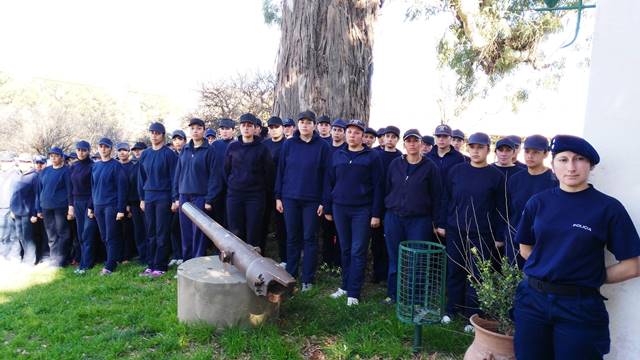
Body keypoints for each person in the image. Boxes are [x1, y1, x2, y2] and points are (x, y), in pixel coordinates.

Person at [513, 135, 640, 360]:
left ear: (590, 165)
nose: (571, 167)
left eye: (579, 159)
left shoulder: (608, 208)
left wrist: (588, 277)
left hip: (580, 308)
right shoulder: (538, 202)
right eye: (563, 160)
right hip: (532, 302)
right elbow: (525, 248)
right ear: (553, 165)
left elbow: (632, 266)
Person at [437, 132, 506, 330]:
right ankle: (452, 309)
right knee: (454, 270)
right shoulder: (456, 171)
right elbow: (446, 199)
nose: (476, 151)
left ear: (487, 150)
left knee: (476, 274)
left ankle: (472, 315)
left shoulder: (496, 176)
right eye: (472, 147)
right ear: (468, 148)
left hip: (482, 233)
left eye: (480, 148)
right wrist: (443, 223)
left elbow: (501, 208)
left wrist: (499, 236)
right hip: (455, 229)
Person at [325, 119, 384, 306]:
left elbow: (378, 186)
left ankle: (354, 292)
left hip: (362, 210)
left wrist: (376, 214)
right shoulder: (337, 154)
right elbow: (329, 182)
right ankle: (344, 286)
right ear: (345, 134)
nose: (352, 135)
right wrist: (328, 207)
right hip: (340, 208)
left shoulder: (372, 157)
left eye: (357, 132)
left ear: (362, 136)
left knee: (358, 250)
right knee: (345, 248)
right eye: (349, 132)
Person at [382, 129, 441, 305]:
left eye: (416, 141)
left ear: (422, 144)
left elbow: (437, 196)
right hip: (394, 217)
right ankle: (393, 294)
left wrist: (436, 221)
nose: (412, 144)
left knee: (418, 259)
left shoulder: (430, 167)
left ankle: (415, 298)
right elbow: (387, 188)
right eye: (409, 141)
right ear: (404, 144)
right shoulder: (395, 164)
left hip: (419, 220)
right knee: (394, 257)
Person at [275, 110, 331, 290]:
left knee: (309, 239)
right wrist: (278, 197)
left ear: (314, 125)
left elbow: (327, 176)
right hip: (290, 198)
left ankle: (308, 278)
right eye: (302, 122)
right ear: (297, 125)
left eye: (308, 122)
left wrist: (324, 201)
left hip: (312, 201)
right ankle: (291, 274)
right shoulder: (289, 144)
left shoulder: (322, 146)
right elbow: (281, 171)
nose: (305, 125)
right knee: (292, 237)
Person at [223, 113, 275, 248]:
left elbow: (268, 173)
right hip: (235, 195)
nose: (246, 128)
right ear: (240, 127)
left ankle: (254, 265)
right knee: (235, 231)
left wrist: (261, 189)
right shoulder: (232, 147)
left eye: (249, 126)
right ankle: (236, 263)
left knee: (254, 231)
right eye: (243, 125)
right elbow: (226, 170)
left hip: (255, 196)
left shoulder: (262, 148)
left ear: (255, 128)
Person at [505, 135, 557, 268]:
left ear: (545, 154)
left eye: (535, 152)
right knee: (512, 281)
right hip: (514, 237)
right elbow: (508, 209)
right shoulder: (515, 179)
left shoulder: (554, 181)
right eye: (527, 151)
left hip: (541, 240)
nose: (530, 156)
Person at [138, 122, 178, 277]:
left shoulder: (169, 154)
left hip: (163, 196)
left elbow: (174, 178)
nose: (154, 135)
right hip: (148, 196)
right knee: (150, 231)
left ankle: (160, 266)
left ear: (163, 135)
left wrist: (174, 199)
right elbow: (141, 178)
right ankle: (151, 264)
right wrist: (142, 198)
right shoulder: (146, 154)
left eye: (157, 133)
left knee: (162, 231)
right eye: (152, 132)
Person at [173, 118, 216, 260]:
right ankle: (187, 262)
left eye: (198, 128)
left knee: (198, 231)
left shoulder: (210, 150)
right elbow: (177, 174)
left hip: (200, 196)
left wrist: (209, 199)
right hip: (184, 196)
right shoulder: (184, 150)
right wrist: (176, 197)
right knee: (185, 231)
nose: (195, 131)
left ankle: (198, 262)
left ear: (203, 130)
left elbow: (214, 177)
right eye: (192, 128)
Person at [88, 138, 127, 275]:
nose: (103, 149)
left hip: (111, 205)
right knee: (104, 236)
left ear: (110, 149)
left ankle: (110, 266)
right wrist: (91, 206)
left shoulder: (116, 166)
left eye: (106, 147)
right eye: (101, 147)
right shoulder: (95, 166)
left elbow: (122, 189)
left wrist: (121, 209)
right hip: (98, 206)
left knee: (111, 236)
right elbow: (93, 188)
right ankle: (113, 259)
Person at [371, 125, 402, 283]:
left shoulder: (401, 157)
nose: (389, 139)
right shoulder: (376, 155)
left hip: (393, 204)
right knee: (377, 241)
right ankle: (378, 273)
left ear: (397, 139)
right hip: (377, 202)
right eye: (387, 136)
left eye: (393, 137)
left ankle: (391, 275)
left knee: (390, 242)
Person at [36, 147, 72, 267]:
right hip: (46, 207)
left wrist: (70, 207)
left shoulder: (66, 171)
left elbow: (69, 191)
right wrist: (39, 208)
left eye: (56, 155)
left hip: (61, 207)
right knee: (51, 234)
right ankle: (53, 259)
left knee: (63, 233)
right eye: (51, 156)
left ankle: (62, 260)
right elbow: (39, 190)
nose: (53, 158)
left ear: (61, 157)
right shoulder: (45, 171)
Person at [320, 118, 347, 267]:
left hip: (341, 197)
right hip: (325, 194)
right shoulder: (325, 147)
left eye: (340, 130)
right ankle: (326, 260)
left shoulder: (346, 149)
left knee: (340, 233)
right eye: (335, 129)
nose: (337, 133)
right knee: (327, 231)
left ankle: (338, 262)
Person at [68, 141, 99, 273]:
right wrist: (71, 206)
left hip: (89, 202)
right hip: (77, 202)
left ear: (88, 151)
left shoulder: (93, 166)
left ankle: (87, 264)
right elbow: (70, 188)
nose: (81, 152)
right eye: (79, 150)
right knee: (80, 234)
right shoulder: (73, 166)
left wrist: (91, 206)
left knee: (88, 233)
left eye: (84, 150)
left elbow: (95, 188)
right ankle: (83, 260)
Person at [262, 116, 287, 260]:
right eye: (271, 127)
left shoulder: (288, 144)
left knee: (282, 227)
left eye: (276, 127)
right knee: (262, 224)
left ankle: (284, 258)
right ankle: (260, 255)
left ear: (282, 128)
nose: (273, 130)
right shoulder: (264, 145)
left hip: (281, 192)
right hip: (264, 191)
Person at [9, 154, 38, 264]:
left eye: (26, 162)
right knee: (20, 236)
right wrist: (12, 209)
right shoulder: (17, 175)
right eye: (21, 161)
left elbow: (37, 196)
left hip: (28, 212)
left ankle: (30, 260)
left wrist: (35, 213)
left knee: (28, 237)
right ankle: (25, 257)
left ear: (30, 163)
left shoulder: (34, 176)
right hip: (17, 211)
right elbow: (14, 194)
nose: (23, 164)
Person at [209, 118, 236, 230]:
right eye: (222, 129)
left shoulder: (237, 144)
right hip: (217, 188)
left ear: (233, 130)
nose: (224, 131)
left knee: (231, 219)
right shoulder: (215, 145)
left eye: (227, 129)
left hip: (232, 188)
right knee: (218, 220)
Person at [1, 153, 20, 261]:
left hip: (12, 209)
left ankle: (14, 257)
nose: (4, 164)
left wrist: (14, 209)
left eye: (7, 161)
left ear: (12, 162)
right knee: (2, 234)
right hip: (1, 208)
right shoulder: (1, 174)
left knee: (13, 235)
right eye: (3, 161)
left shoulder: (16, 175)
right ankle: (3, 256)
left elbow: (17, 194)